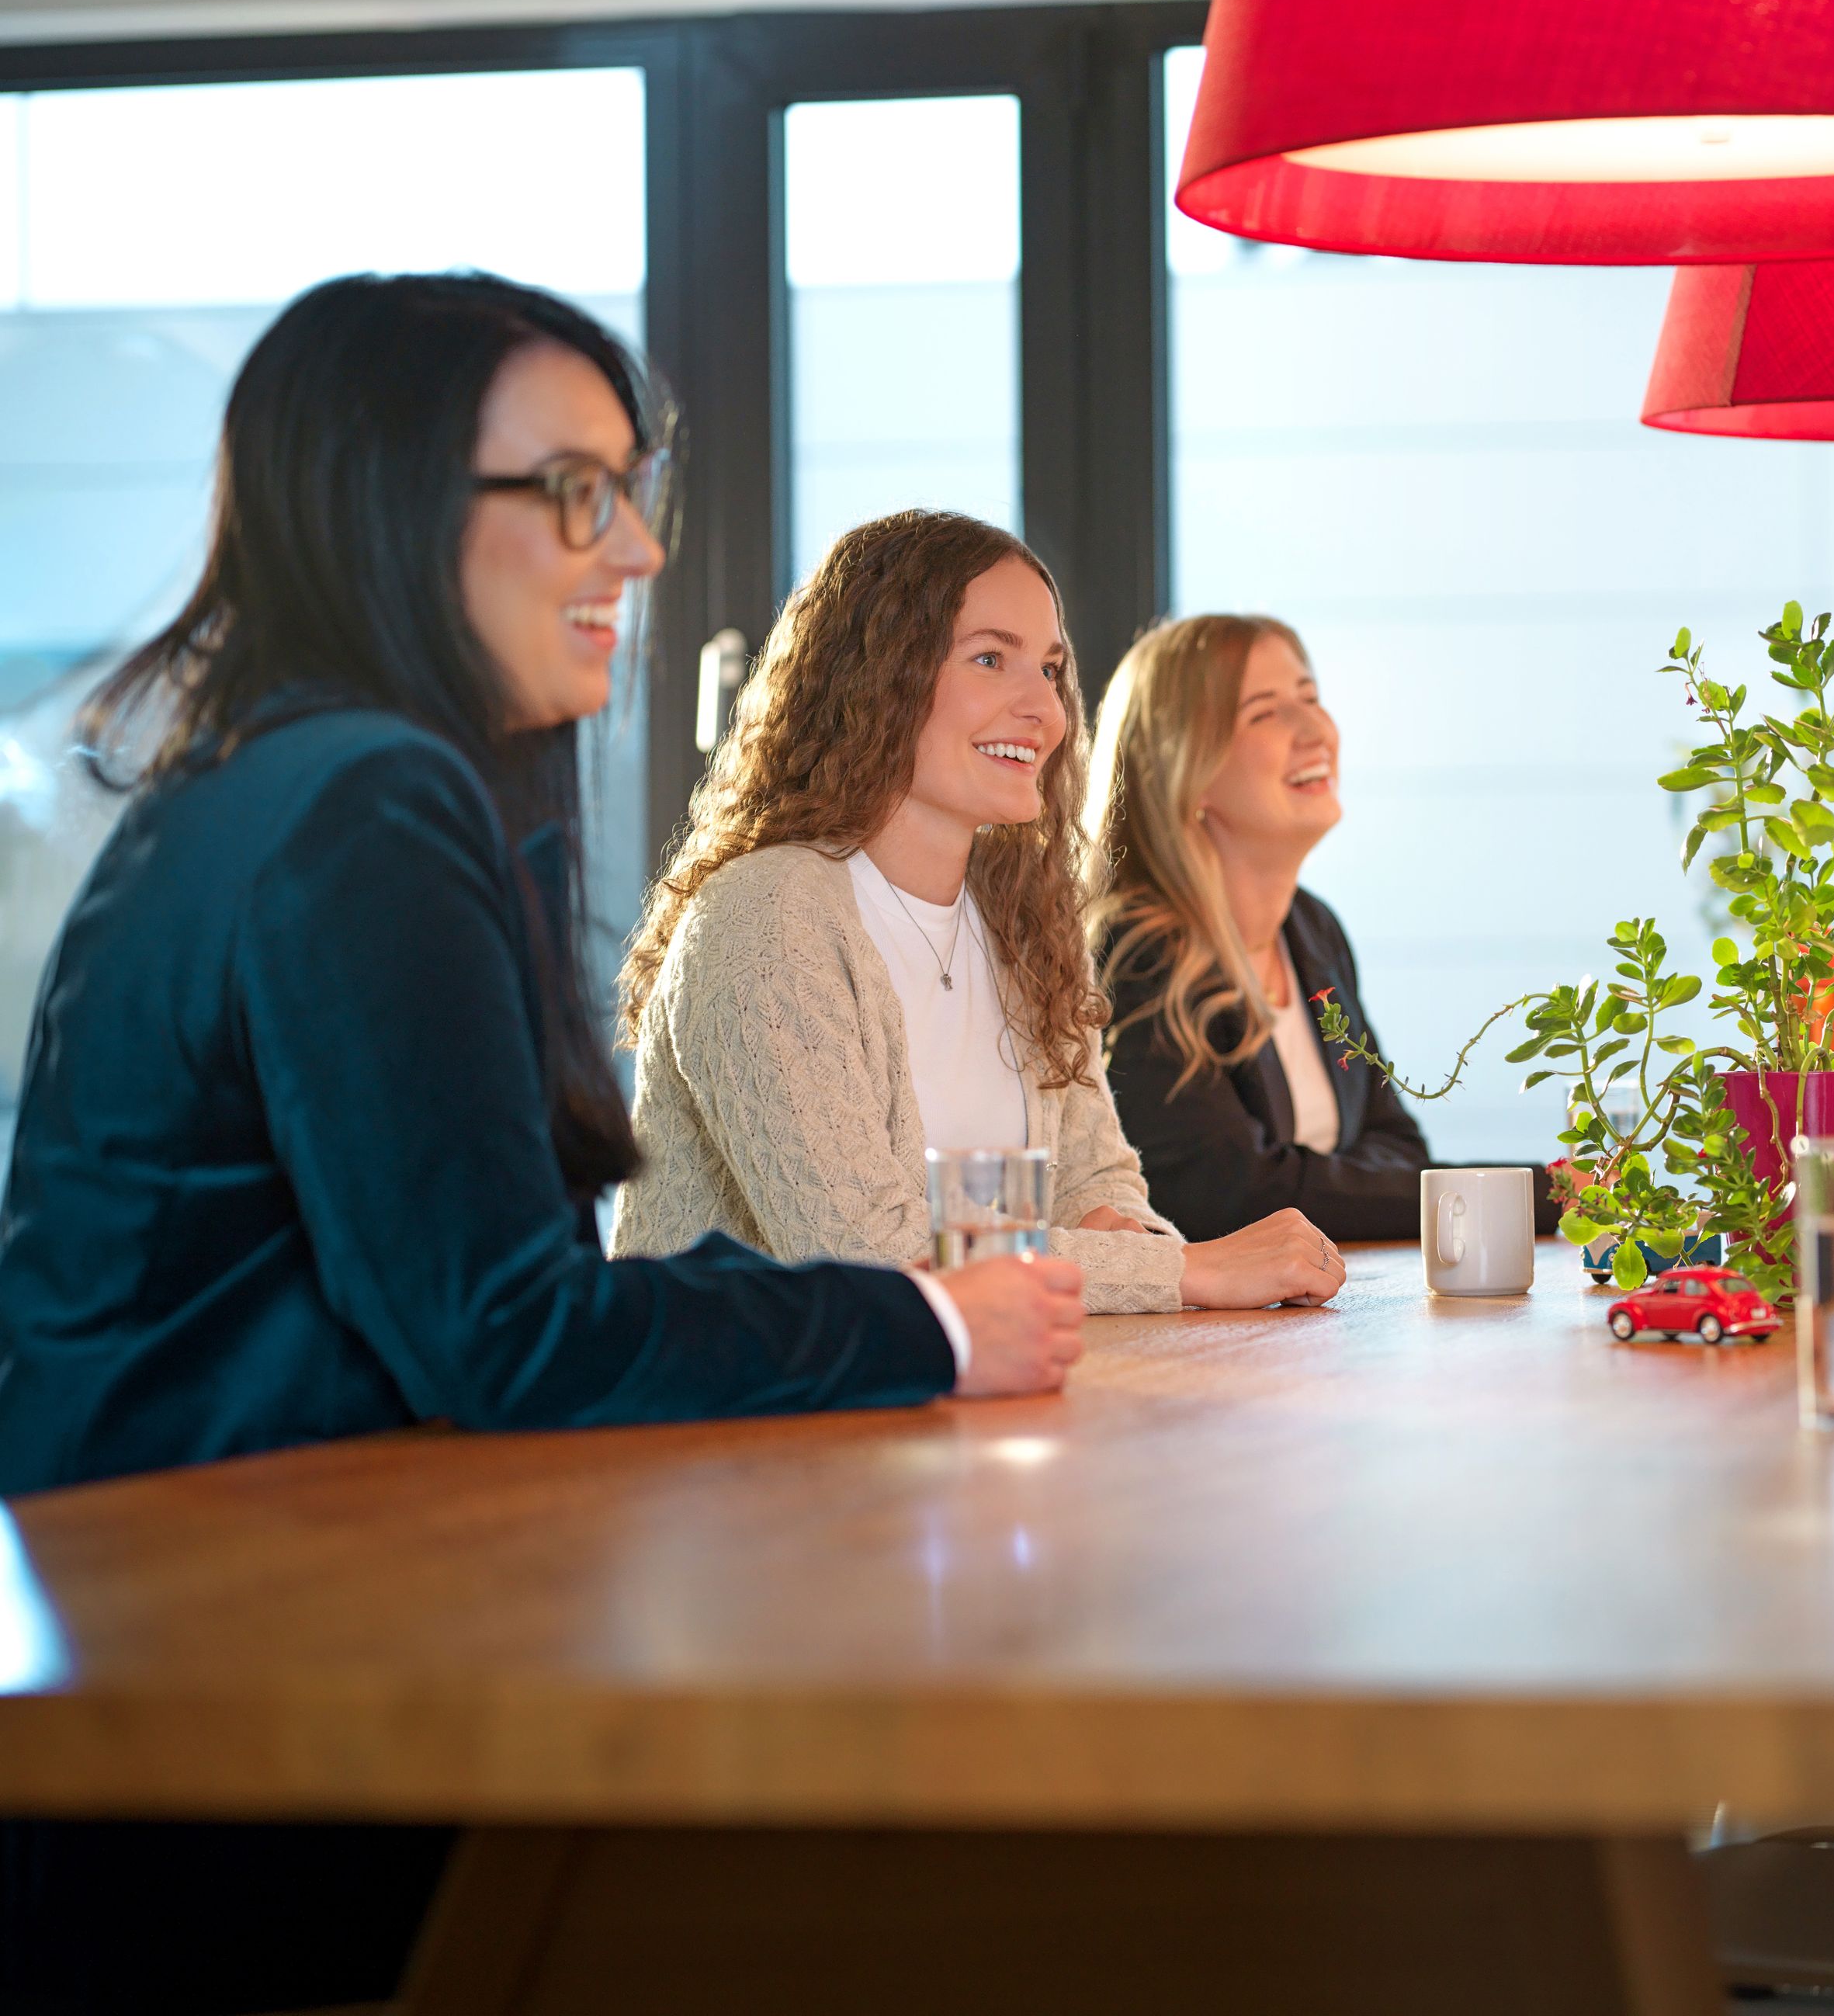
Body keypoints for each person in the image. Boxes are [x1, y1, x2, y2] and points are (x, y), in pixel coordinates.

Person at [0, 275, 1079, 2011]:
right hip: (231, 1740)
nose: (639, 552)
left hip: (233, 1663)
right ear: (389, 503)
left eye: (628, 489)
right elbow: (503, 1328)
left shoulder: (311, 776)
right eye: (576, 491)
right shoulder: (366, 800)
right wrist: (932, 1326)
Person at [615, 517, 1343, 1312]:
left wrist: (1123, 1231)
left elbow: (1096, 1181)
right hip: (744, 1423)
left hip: (963, 1398)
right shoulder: (765, 917)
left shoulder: (1022, 919)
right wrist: (1183, 1271)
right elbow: (868, 1256)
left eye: (1053, 668)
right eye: (991, 659)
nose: (1047, 710)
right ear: (876, 677)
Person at [1085, 615, 1556, 1243]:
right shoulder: (1139, 955)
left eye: (1310, 698)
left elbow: (1399, 1149)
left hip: (1323, 1315)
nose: (1316, 730)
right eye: (1265, 712)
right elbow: (1232, 1193)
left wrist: (1317, 1183)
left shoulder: (1312, 930)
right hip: (1204, 1336)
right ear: (1185, 769)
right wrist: (1540, 1193)